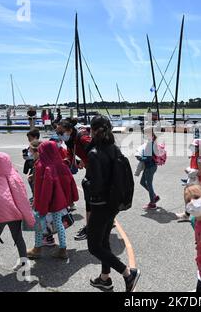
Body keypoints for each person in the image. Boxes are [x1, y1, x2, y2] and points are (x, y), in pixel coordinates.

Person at [84, 116, 141, 292]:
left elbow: (96, 186)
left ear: (93, 131)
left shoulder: (94, 154)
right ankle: (104, 278)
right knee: (103, 241)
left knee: (94, 246)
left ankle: (128, 273)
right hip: (113, 204)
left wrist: (85, 183)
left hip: (100, 205)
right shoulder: (114, 149)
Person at [0, 153, 36, 270]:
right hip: (15, 213)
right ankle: (24, 263)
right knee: (18, 237)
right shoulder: (15, 176)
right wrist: (28, 216)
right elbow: (22, 197)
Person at [27, 141, 79, 260]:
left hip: (46, 201)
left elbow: (41, 188)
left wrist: (39, 203)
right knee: (59, 223)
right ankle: (63, 249)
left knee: (39, 224)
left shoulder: (42, 165)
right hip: (60, 201)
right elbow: (70, 182)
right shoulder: (61, 164)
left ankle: (37, 248)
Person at [56, 118, 92, 241]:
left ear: (70, 130)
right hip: (91, 168)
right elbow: (70, 154)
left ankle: (90, 228)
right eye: (58, 133)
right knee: (95, 197)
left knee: (90, 197)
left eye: (61, 133)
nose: (60, 136)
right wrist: (65, 162)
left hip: (97, 170)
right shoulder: (70, 140)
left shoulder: (82, 137)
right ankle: (105, 222)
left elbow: (95, 151)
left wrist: (84, 160)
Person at [177, 139, 201, 221]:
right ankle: (198, 214)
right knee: (199, 198)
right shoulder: (198, 155)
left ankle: (188, 214)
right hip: (200, 181)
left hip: (198, 181)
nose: (193, 148)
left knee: (189, 195)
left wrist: (190, 171)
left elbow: (200, 172)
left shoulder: (199, 158)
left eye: (195, 146)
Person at [139, 127, 160, 210]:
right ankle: (154, 196)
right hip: (152, 165)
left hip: (150, 166)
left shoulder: (150, 143)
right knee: (142, 182)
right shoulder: (153, 141)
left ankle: (152, 203)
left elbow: (148, 158)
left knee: (149, 184)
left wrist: (139, 157)